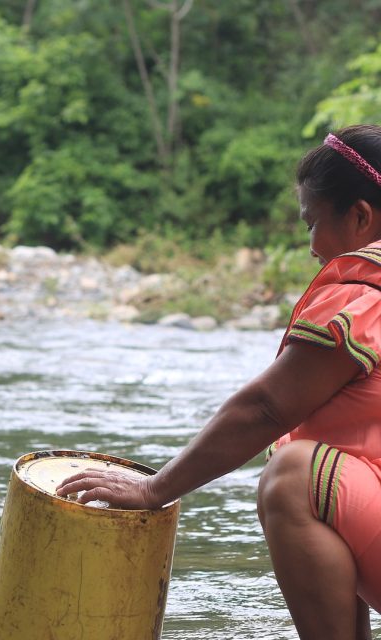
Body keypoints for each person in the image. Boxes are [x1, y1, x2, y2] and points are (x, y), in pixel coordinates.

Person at [57, 124, 381, 640]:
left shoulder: (365, 294)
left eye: (312, 223)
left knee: (294, 475)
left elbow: (266, 409)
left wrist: (152, 489)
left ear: (360, 216)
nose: (313, 245)